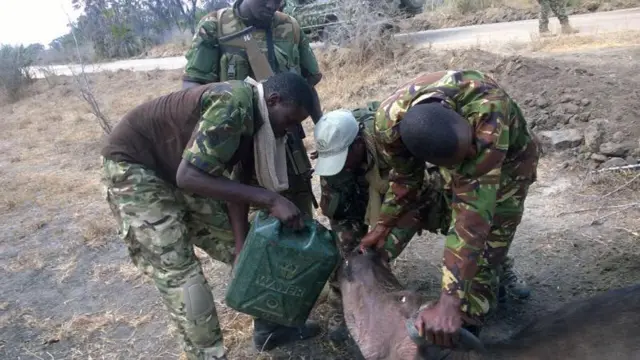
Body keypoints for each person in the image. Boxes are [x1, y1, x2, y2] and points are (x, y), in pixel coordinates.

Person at [100, 72, 321, 360]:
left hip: (180, 171)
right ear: (274, 100)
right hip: (136, 168)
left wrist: (241, 248)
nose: (290, 130)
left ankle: (271, 329)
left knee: (256, 250)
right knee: (183, 277)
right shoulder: (233, 105)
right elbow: (189, 176)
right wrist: (270, 199)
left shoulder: (258, 120)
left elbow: (237, 183)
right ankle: (207, 355)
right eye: (290, 120)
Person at [360, 70, 540, 347]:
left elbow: (471, 222)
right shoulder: (389, 124)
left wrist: (450, 301)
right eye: (460, 160)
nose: (469, 157)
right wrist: (383, 225)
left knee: (485, 249)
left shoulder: (489, 118)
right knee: (433, 210)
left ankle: (469, 325)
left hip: (510, 167)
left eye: (468, 149)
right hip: (454, 150)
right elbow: (407, 177)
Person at [313, 103, 451, 341]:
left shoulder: (392, 141)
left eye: (343, 158)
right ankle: (341, 304)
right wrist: (351, 253)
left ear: (358, 143)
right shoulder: (334, 163)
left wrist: (383, 236)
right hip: (361, 196)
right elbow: (339, 217)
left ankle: (492, 273)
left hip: (406, 194)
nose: (341, 166)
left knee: (460, 218)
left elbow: (417, 189)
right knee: (349, 252)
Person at [182, 0, 323, 219]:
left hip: (287, 142)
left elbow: (308, 87)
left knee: (298, 214)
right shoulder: (215, 26)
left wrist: (322, 132)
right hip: (236, 142)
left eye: (279, 1)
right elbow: (192, 89)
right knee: (247, 218)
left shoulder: (290, 28)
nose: (271, 5)